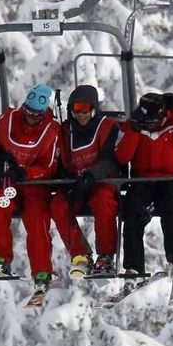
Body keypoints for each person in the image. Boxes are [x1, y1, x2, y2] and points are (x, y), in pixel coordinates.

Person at [114, 92, 173, 303]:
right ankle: (133, 267)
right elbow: (122, 156)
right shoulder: (136, 123)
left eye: (155, 121)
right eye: (149, 122)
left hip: (170, 178)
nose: (152, 126)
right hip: (141, 179)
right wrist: (135, 131)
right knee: (132, 213)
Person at [0, 84, 61, 294]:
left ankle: (42, 271)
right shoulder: (8, 118)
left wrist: (26, 172)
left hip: (34, 186)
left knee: (37, 219)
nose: (30, 118)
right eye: (27, 112)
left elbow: (49, 167)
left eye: (36, 115)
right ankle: (0, 259)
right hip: (8, 183)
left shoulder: (52, 131)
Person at [50, 85, 120, 277]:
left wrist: (90, 176)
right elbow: (61, 159)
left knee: (103, 201)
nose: (80, 114)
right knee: (58, 204)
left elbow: (109, 161)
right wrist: (65, 179)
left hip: (101, 182)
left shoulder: (107, 127)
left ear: (93, 108)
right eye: (76, 109)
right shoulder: (66, 131)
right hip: (76, 183)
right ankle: (80, 255)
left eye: (85, 109)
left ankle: (106, 255)